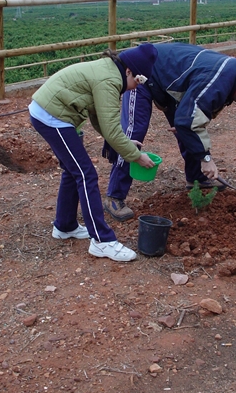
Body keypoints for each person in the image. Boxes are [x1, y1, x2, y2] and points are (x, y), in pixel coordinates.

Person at [103, 41, 236, 221]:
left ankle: (196, 178)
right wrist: (206, 158)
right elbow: (188, 121)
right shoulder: (220, 79)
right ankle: (114, 196)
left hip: (171, 83)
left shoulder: (232, 76)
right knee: (133, 133)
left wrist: (188, 128)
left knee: (187, 127)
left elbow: (194, 119)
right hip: (144, 74)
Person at [29, 42, 158, 262]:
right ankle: (102, 240)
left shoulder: (109, 71)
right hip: (52, 116)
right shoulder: (109, 80)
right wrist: (136, 156)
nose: (137, 86)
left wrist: (124, 142)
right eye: (138, 80)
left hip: (53, 113)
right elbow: (110, 129)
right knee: (86, 174)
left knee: (74, 171)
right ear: (128, 70)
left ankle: (65, 226)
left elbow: (100, 119)